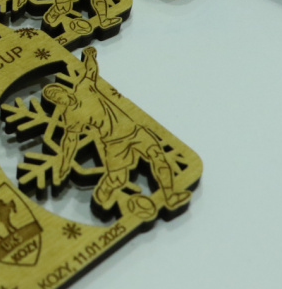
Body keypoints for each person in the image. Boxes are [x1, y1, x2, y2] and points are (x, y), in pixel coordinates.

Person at [43, 47, 191, 219]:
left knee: (159, 158)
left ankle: (170, 196)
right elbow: (70, 140)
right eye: (53, 98)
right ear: (55, 102)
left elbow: (90, 70)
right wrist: (65, 162)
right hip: (113, 143)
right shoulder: (71, 116)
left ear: (63, 90)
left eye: (56, 93)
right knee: (117, 179)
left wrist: (90, 56)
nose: (57, 97)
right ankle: (101, 197)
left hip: (134, 130)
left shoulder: (84, 89)